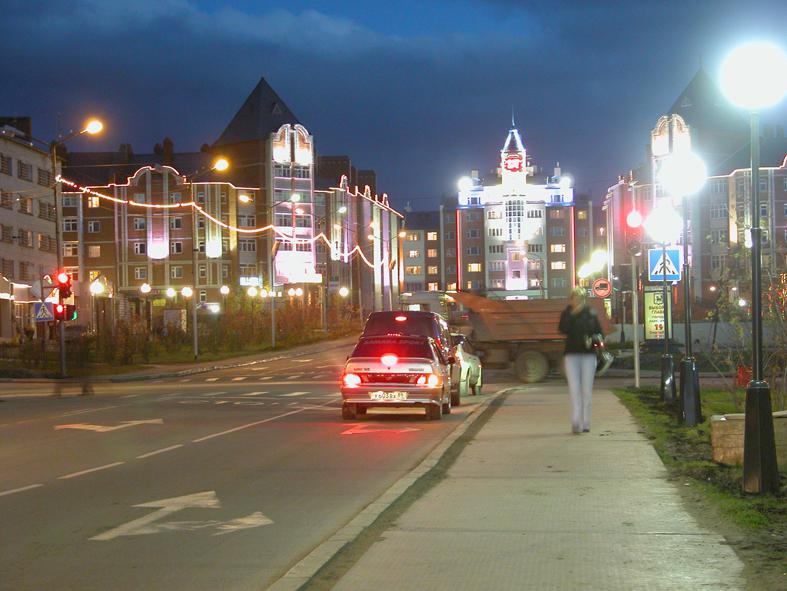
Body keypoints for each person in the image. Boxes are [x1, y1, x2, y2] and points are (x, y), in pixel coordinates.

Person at [559, 287, 603, 434]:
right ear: (571, 299)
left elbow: (599, 332)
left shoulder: (590, 313)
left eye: (581, 298)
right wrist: (573, 314)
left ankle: (586, 423)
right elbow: (563, 328)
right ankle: (575, 421)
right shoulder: (567, 313)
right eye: (576, 298)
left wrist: (595, 339)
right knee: (574, 389)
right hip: (571, 355)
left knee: (587, 390)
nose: (578, 301)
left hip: (588, 355)